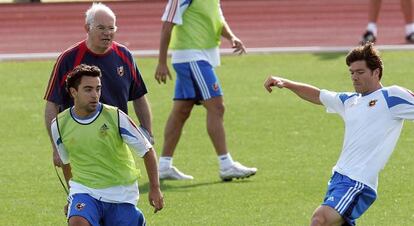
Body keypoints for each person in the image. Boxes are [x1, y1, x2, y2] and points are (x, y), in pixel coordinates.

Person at [264, 43, 414, 226]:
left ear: (376, 72)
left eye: (360, 72)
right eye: (351, 72)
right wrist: (285, 83)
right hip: (338, 179)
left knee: (319, 219)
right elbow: (317, 95)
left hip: (358, 182)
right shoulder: (350, 101)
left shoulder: (392, 96)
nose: (354, 77)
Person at [154, 0, 257, 181]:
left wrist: (231, 37)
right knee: (217, 107)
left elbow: (216, 20)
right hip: (191, 57)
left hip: (199, 57)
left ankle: (163, 166)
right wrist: (161, 62)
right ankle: (226, 164)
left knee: (181, 111)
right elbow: (167, 25)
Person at [51, 64, 163, 225]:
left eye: (98, 89)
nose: (95, 95)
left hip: (121, 193)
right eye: (88, 89)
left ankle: (136, 218)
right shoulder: (59, 125)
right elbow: (66, 162)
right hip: (85, 190)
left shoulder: (115, 116)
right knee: (77, 221)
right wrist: (72, 196)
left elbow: (147, 150)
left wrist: (155, 187)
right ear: (73, 92)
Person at [44, 2, 153, 168]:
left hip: (115, 143)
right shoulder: (69, 59)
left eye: (111, 28)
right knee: (82, 190)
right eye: (101, 28)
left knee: (118, 185)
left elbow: (138, 96)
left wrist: (147, 131)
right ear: (87, 28)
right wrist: (56, 147)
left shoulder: (125, 56)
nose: (107, 33)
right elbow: (52, 103)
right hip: (79, 142)